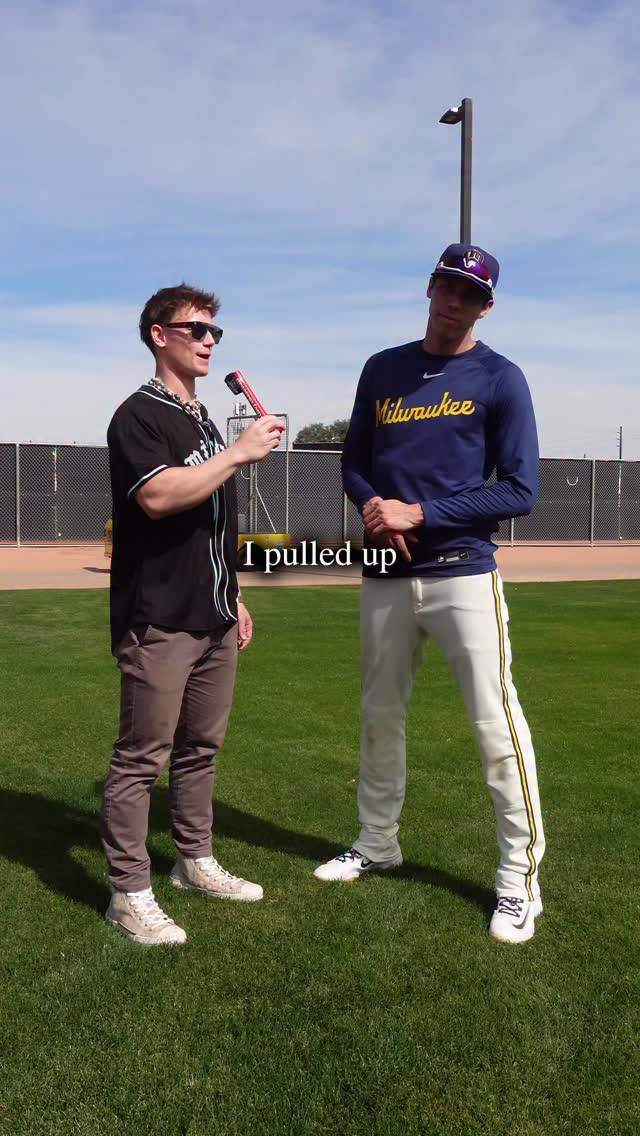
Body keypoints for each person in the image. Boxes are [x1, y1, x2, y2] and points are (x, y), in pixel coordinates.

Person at [314, 244, 545, 944]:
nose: (454, 302)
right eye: (447, 287)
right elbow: (355, 460)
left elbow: (520, 489)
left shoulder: (501, 378)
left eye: (470, 295)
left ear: (487, 305)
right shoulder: (383, 368)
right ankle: (378, 841)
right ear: (429, 287)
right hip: (386, 574)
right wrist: (374, 504)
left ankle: (518, 879)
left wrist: (422, 514)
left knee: (495, 727)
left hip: (463, 572)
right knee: (379, 716)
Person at [102, 283, 282, 945]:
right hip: (159, 615)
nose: (208, 341)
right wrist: (238, 453)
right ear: (159, 334)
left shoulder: (204, 418)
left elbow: (212, 523)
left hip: (211, 613)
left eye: (215, 333)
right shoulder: (139, 416)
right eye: (196, 329)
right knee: (140, 758)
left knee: (201, 749)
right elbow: (156, 498)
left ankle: (194, 860)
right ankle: (128, 891)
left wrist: (234, 594)